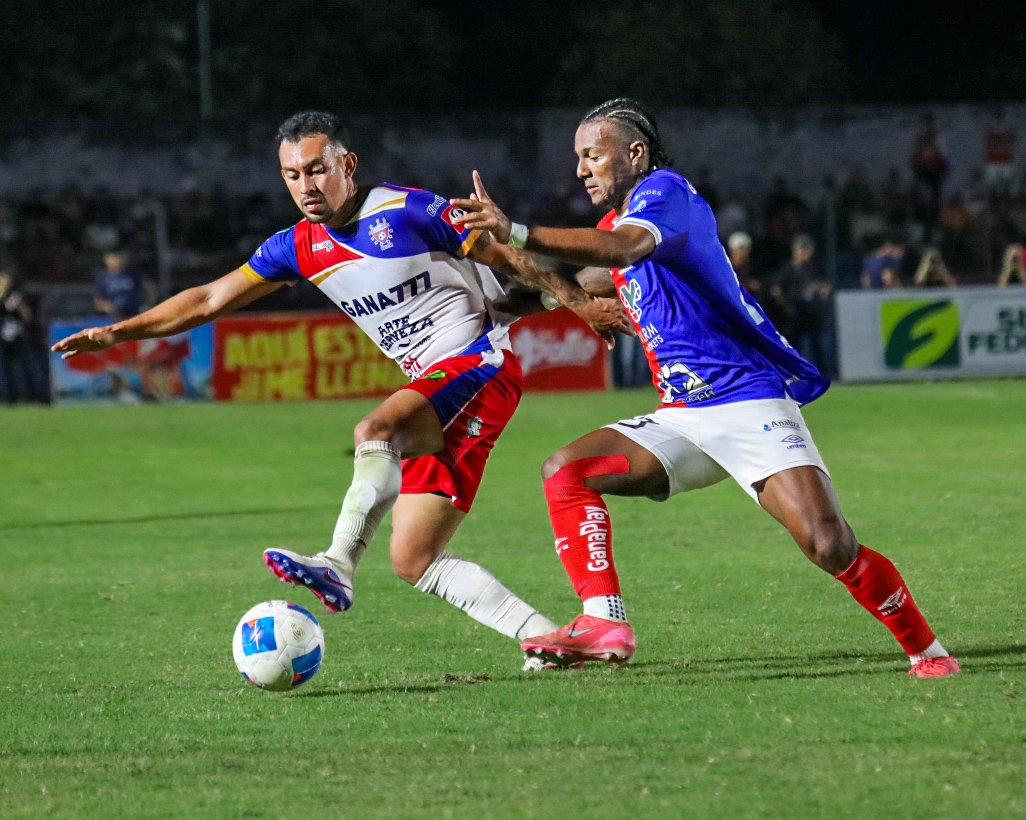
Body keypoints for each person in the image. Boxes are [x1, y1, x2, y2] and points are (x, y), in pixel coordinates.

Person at [52, 111, 630, 670]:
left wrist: (581, 304)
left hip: (478, 365)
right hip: (447, 387)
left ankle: (338, 564)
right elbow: (208, 299)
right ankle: (546, 640)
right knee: (414, 558)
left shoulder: (408, 210)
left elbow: (510, 260)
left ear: (347, 165)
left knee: (374, 431)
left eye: (316, 169)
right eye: (292, 175)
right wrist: (117, 332)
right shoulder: (297, 246)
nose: (306, 185)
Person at [450, 97, 959, 678]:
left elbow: (626, 250)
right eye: (578, 158)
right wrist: (483, 279)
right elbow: (566, 283)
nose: (580, 169)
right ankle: (604, 622)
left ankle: (928, 651)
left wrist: (516, 230)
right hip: (684, 417)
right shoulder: (611, 230)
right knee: (566, 470)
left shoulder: (666, 194)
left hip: (747, 400)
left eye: (593, 155)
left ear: (634, 154)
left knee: (828, 544)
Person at [93, 250, 157, 320]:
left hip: (134, 314)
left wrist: (148, 304)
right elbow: (98, 302)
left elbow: (150, 288)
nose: (116, 261)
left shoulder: (133, 273)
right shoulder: (103, 277)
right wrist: (107, 307)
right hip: (113, 318)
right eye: (113, 259)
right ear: (106, 260)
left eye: (118, 258)